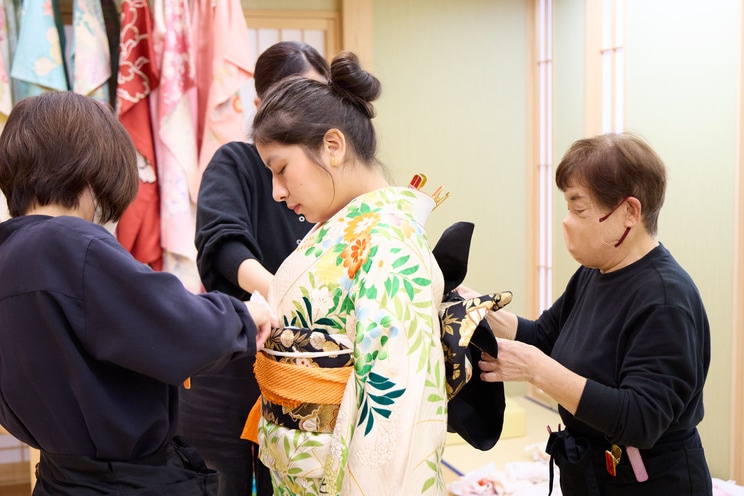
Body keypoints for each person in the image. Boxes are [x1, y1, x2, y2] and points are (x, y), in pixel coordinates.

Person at [0, 91, 274, 496]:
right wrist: (244, 317)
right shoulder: (74, 245)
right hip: (125, 484)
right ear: (91, 173)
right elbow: (173, 324)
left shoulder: (9, 254)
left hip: (60, 479)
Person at [240, 51, 449, 495]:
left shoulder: (391, 245)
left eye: (281, 169)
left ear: (332, 146)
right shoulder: (338, 230)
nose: (277, 192)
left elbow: (395, 420)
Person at [477, 132, 712, 495]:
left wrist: (537, 370)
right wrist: (479, 314)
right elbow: (545, 337)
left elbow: (641, 418)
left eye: (579, 208)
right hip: (591, 474)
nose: (567, 221)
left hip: (649, 483)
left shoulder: (665, 299)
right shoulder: (595, 272)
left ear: (629, 212)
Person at [177, 41, 330, 496]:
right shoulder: (237, 162)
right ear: (261, 105)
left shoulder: (331, 168)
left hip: (311, 364)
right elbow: (222, 242)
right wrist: (280, 292)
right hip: (239, 361)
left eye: (313, 94)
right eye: (287, 96)